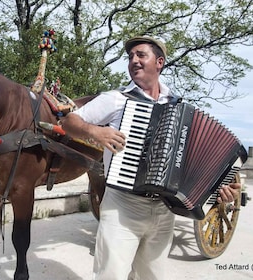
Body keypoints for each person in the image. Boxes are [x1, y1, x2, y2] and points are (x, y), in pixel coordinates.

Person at [61, 36, 241, 280]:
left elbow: (195, 166)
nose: (133, 61)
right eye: (130, 57)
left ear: (159, 62)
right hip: (123, 206)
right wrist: (95, 131)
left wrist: (219, 188)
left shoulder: (179, 108)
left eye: (140, 55)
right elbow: (69, 121)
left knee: (152, 277)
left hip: (164, 210)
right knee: (110, 275)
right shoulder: (116, 99)